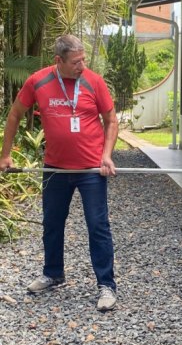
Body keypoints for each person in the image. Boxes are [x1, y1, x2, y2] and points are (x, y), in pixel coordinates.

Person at [0, 34, 119, 311]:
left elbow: (111, 120)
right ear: (58, 61)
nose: (82, 66)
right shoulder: (38, 81)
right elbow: (15, 114)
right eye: (76, 62)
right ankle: (53, 273)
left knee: (98, 226)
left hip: (91, 170)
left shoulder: (94, 81)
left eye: (83, 60)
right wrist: (5, 155)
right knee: (52, 224)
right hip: (54, 168)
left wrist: (106, 155)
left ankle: (106, 285)